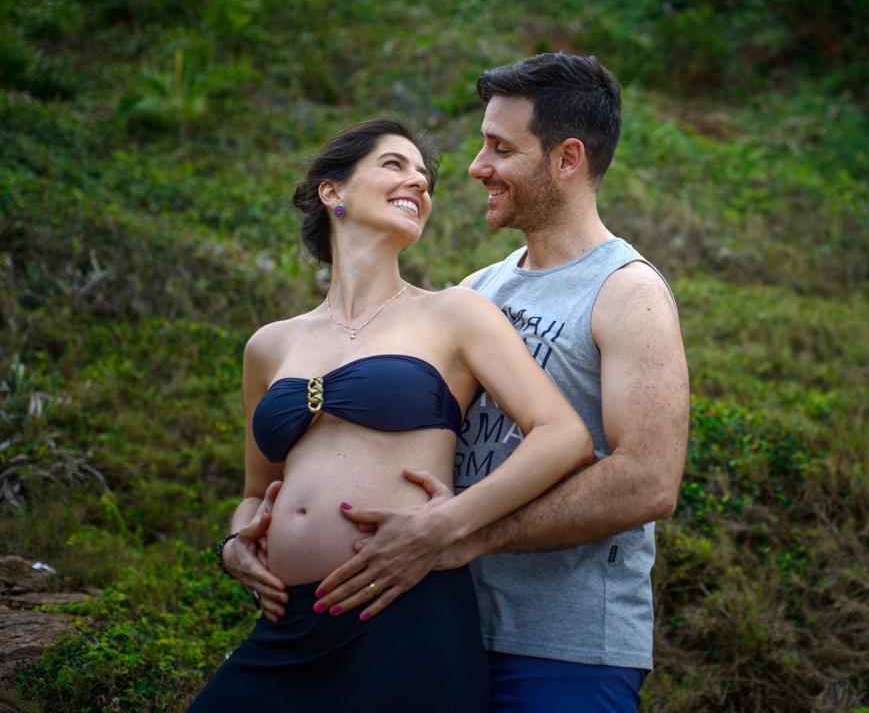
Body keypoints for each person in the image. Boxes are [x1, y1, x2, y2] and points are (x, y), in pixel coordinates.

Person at [314, 53, 691, 712]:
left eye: (499, 148)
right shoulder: (477, 290)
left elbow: (648, 481)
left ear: (566, 159)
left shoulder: (628, 293)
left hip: (564, 650)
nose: (475, 167)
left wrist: (467, 534)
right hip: (440, 629)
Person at [193, 117, 593, 712]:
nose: (419, 184)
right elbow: (257, 490)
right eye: (394, 165)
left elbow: (563, 436)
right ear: (333, 192)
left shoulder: (456, 313)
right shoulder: (269, 345)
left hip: (404, 610)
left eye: (425, 178)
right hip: (289, 624)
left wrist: (449, 525)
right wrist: (234, 542)